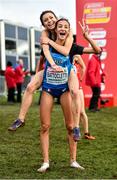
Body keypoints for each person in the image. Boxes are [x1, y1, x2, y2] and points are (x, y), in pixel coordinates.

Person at [8, 11, 101, 139]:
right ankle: (21, 119)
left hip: (67, 71)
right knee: (29, 87)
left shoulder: (68, 38)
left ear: (57, 20)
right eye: (46, 20)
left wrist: (86, 36)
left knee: (74, 93)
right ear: (44, 25)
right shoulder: (45, 35)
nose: (49, 21)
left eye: (52, 18)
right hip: (51, 71)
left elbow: (90, 50)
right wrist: (37, 75)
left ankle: (76, 127)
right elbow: (42, 58)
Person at [37, 18, 84, 172]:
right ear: (55, 30)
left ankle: (73, 160)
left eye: (66, 27)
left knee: (70, 126)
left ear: (68, 30)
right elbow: (42, 58)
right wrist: (38, 74)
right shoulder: (47, 43)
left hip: (64, 89)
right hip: (48, 88)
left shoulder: (70, 45)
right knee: (45, 126)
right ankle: (45, 161)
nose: (63, 29)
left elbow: (88, 54)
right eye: (60, 26)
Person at [73, 55, 95, 140]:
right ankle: (73, 133)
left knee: (81, 111)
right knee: (72, 113)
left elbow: (84, 67)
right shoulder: (63, 55)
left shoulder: (76, 56)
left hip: (78, 87)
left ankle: (86, 133)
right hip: (68, 88)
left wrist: (80, 79)